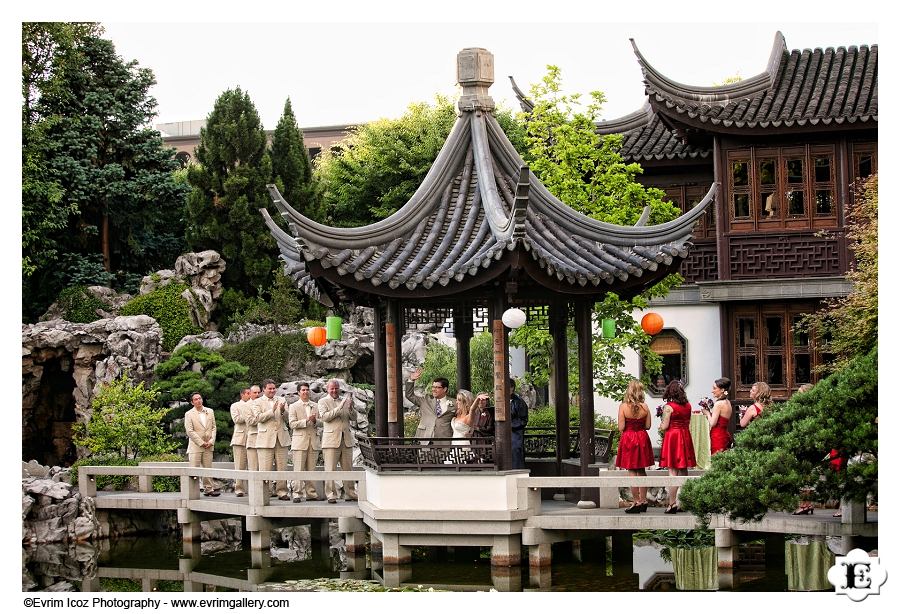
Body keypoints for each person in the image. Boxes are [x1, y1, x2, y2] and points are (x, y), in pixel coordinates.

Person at [615, 380, 654, 513]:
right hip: (642, 437)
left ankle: (636, 501)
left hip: (629, 438)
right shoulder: (646, 407)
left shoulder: (623, 407)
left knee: (632, 470)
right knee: (641, 470)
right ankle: (643, 500)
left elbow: (621, 427)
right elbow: (648, 426)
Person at [658, 380, 696, 513]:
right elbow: (688, 421)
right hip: (684, 436)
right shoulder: (688, 405)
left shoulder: (669, 406)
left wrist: (660, 424)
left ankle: (672, 503)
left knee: (673, 470)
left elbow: (665, 426)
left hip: (673, 437)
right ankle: (683, 502)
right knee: (683, 469)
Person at [318, 379, 358, 504]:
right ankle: (331, 495)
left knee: (348, 469)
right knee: (330, 469)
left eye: (336, 388)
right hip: (331, 441)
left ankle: (350, 493)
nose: (334, 391)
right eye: (332, 389)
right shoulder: (322, 401)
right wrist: (340, 407)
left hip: (346, 439)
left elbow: (354, 418)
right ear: (327, 389)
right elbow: (325, 417)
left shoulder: (344, 400)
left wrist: (351, 408)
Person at [253, 379, 291, 500]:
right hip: (265, 439)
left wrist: (283, 410)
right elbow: (258, 418)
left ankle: (282, 492)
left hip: (281, 438)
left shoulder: (282, 400)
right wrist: (272, 410)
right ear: (263, 389)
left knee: (282, 467)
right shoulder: (257, 402)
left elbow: (288, 417)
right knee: (265, 468)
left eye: (274, 388)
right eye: (270, 388)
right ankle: (266, 492)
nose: (272, 390)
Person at [288, 382, 321, 502]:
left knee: (311, 469)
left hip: (313, 441)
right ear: (298, 392)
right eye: (303, 390)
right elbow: (292, 424)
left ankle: (311, 493)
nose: (306, 392)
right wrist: (306, 421)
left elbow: (322, 422)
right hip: (300, 441)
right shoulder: (293, 406)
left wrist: (315, 420)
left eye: (307, 390)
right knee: (298, 469)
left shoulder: (316, 406)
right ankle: (297, 493)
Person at [184, 392, 220, 496]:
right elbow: (189, 431)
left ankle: (209, 489)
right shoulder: (189, 414)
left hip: (209, 445)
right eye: (196, 399)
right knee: (194, 469)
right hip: (196, 446)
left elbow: (214, 427)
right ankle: (193, 491)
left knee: (208, 468)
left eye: (200, 398)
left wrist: (211, 441)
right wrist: (201, 442)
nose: (198, 400)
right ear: (192, 402)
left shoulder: (210, 411)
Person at [405, 369, 455, 444]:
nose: (434, 389)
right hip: (425, 439)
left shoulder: (455, 403)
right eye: (433, 387)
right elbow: (409, 395)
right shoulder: (425, 400)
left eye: (437, 387)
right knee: (423, 456)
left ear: (445, 389)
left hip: (444, 440)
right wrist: (411, 380)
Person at [703, 377, 733, 455]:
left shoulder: (719, 404)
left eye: (714, 388)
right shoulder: (727, 402)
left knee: (717, 460)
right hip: (724, 434)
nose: (712, 391)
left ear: (722, 390)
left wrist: (707, 413)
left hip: (718, 436)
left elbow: (713, 423)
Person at [229, 387, 251, 496]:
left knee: (252, 466)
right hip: (239, 439)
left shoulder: (254, 404)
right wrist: (248, 415)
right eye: (248, 393)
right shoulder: (235, 406)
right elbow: (236, 419)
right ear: (242, 394)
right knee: (239, 465)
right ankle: (239, 489)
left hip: (252, 438)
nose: (250, 395)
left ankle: (252, 489)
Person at [510, 378, 529, 470]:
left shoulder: (519, 401)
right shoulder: (502, 401)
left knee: (516, 453)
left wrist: (510, 425)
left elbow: (523, 420)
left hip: (516, 435)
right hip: (506, 435)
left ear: (512, 388)